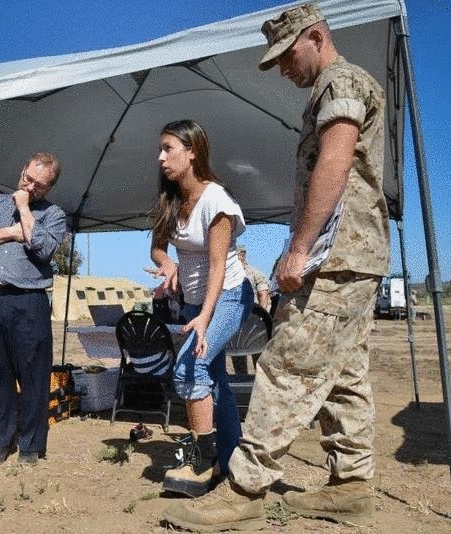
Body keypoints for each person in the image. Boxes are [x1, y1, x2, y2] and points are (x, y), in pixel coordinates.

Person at [163, 4, 389, 530]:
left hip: (335, 257)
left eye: (287, 56)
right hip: (355, 257)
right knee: (344, 376)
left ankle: (245, 487)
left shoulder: (342, 83)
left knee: (287, 366)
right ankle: (351, 486)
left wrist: (300, 247)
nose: (283, 68)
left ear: (315, 37)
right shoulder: (332, 88)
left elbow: (334, 160)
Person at [149, 119, 253, 498]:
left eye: (168, 148)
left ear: (192, 151)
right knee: (215, 380)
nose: (160, 157)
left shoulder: (217, 201)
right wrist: (169, 265)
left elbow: (216, 266)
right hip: (194, 301)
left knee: (189, 367)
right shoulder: (170, 199)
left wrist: (204, 320)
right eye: (159, 149)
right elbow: (157, 247)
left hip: (227, 294)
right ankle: (231, 461)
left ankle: (203, 457)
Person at [0, 152, 66, 467]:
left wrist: (23, 207)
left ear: (48, 189)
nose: (30, 186)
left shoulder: (54, 214)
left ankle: (31, 446)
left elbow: (43, 247)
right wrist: (8, 233)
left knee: (34, 374)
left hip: (29, 301)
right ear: (22, 169)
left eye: (38, 185)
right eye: (28, 178)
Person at [232, 245, 270, 374]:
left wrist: (261, 314)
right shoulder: (228, 274)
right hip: (238, 321)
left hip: (253, 319)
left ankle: (255, 379)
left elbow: (263, 292)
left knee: (257, 354)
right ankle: (242, 379)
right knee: (238, 355)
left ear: (242, 255)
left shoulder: (253, 273)